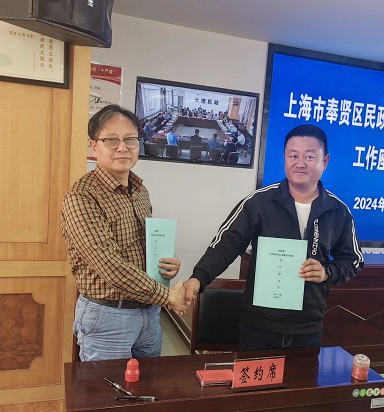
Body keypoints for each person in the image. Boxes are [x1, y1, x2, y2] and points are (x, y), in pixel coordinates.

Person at [184, 124, 364, 351]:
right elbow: (226, 245)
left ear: (325, 161)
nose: (300, 163)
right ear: (285, 158)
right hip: (258, 328)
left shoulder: (338, 211)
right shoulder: (259, 202)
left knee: (302, 377)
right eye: (293, 156)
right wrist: (198, 278)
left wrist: (327, 272)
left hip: (307, 329)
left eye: (309, 156)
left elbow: (353, 260)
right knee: (255, 376)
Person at [61, 105, 188, 362]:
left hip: (149, 314)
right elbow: (109, 266)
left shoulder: (139, 190)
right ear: (93, 146)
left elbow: (144, 245)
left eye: (130, 139)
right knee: (108, 387)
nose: (122, 148)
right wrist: (168, 297)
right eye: (111, 140)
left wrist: (168, 262)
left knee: (149, 383)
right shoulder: (82, 197)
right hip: (108, 317)